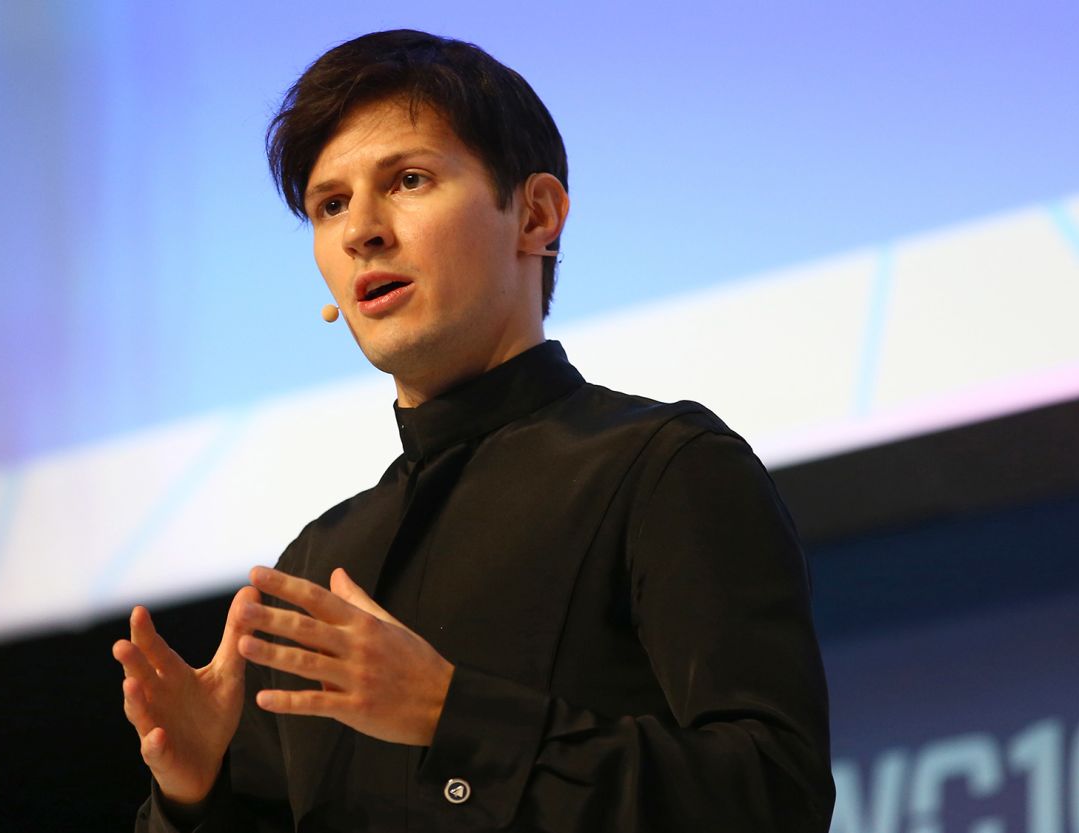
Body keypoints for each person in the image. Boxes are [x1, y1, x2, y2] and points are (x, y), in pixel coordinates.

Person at [114, 29, 834, 832]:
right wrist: (190, 795)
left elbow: (775, 797)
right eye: (331, 204)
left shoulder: (663, 470)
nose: (362, 231)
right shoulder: (318, 568)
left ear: (536, 214)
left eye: (409, 179)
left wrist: (451, 716)